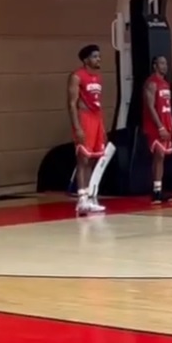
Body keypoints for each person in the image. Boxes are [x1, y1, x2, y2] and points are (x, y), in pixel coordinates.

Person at [68, 45, 107, 215]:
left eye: (99, 56)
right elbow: (72, 104)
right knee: (82, 159)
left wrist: (102, 127)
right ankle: (81, 199)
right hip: (84, 119)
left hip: (96, 118)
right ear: (86, 60)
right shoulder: (76, 76)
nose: (98, 59)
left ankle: (89, 197)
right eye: (95, 56)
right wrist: (77, 127)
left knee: (92, 159)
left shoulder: (98, 77)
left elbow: (98, 104)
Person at [143, 55, 172, 205]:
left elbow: (168, 108)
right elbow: (150, 107)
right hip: (155, 126)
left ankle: (159, 189)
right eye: (161, 63)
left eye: (165, 63)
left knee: (162, 157)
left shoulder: (166, 84)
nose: (165, 66)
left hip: (166, 123)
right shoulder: (151, 83)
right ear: (155, 66)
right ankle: (156, 191)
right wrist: (160, 126)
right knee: (159, 155)